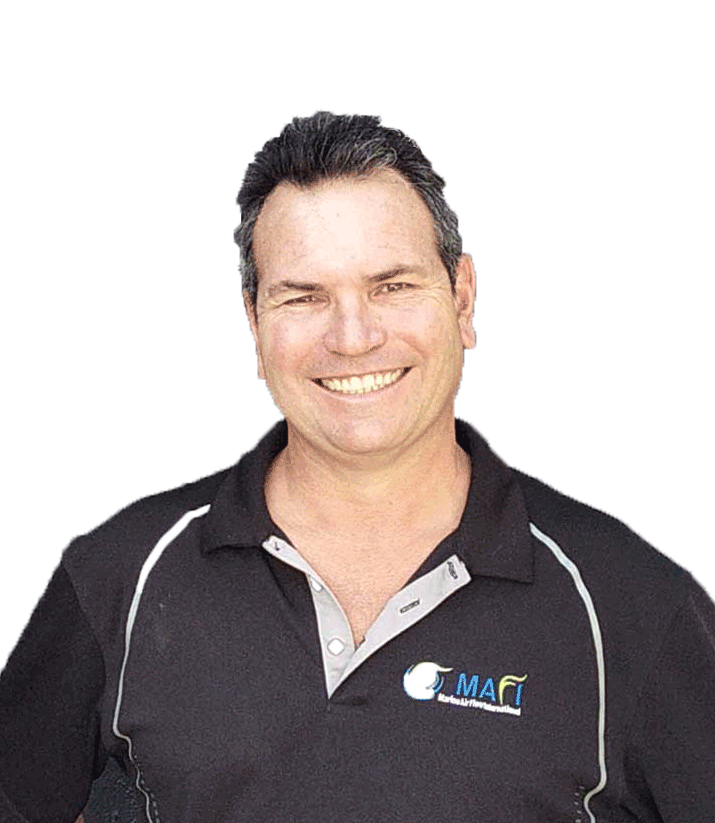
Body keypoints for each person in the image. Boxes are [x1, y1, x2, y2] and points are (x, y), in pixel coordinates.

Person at [1, 112, 714, 823]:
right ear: (254, 322)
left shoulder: (629, 608)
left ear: (462, 298)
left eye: (391, 286)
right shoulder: (120, 577)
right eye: (303, 296)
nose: (351, 337)